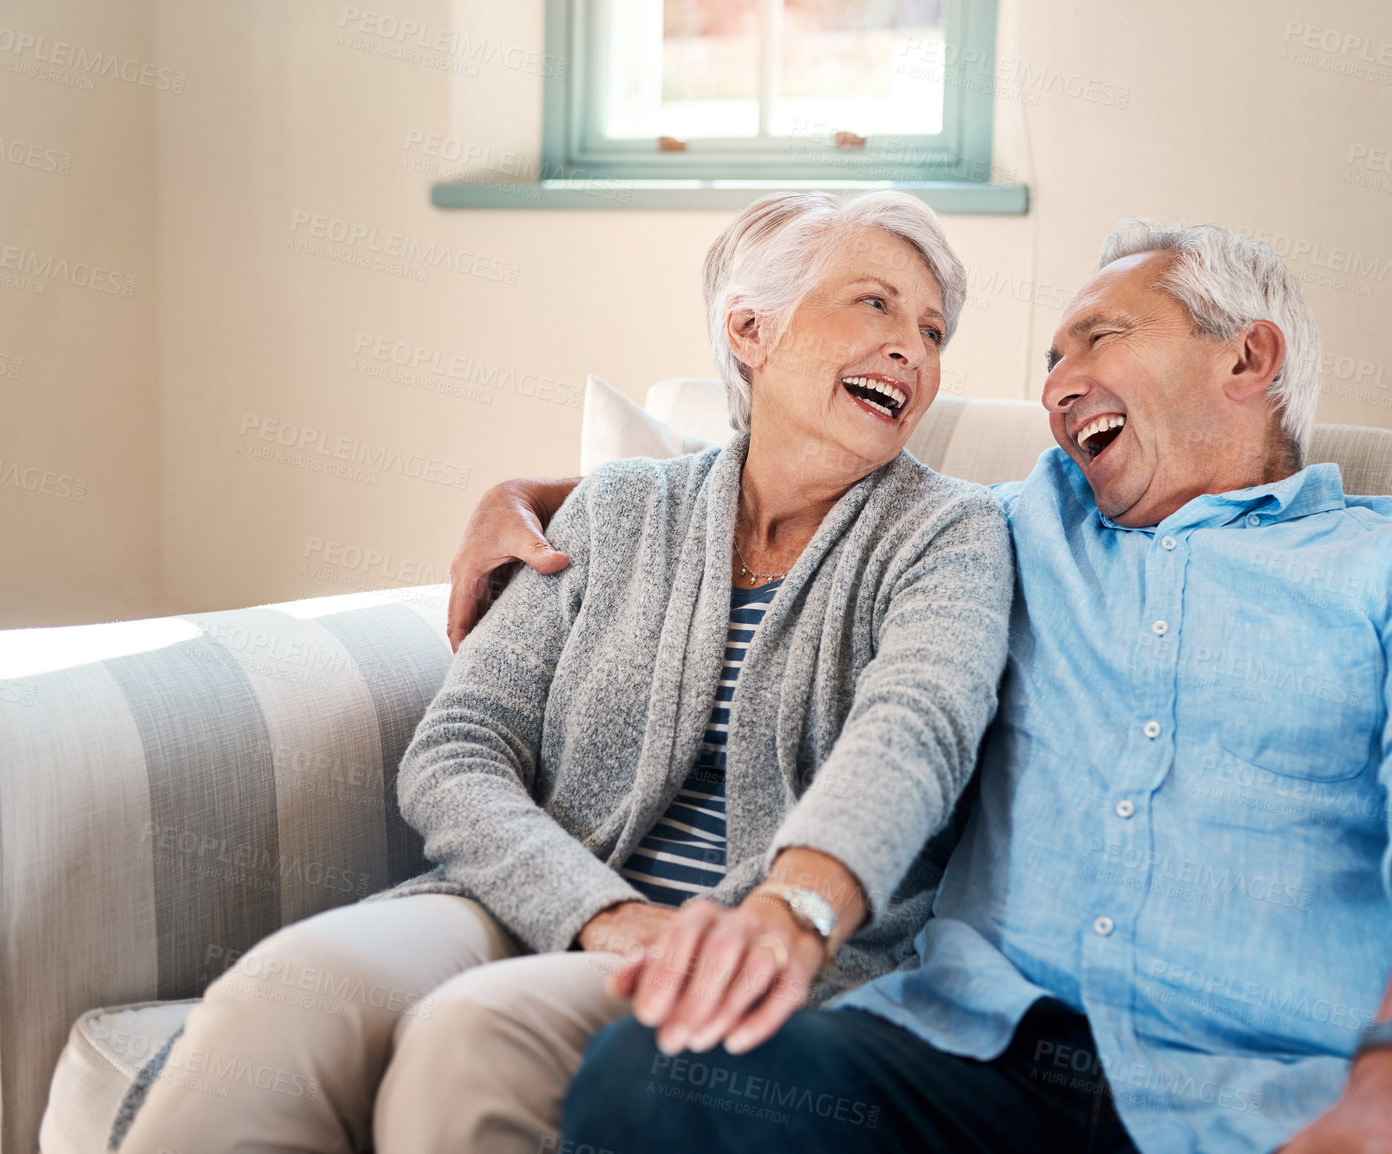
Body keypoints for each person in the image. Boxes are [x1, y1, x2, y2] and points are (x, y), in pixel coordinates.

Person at [465, 222, 1392, 1153]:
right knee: (656, 1072)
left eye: (1097, 336)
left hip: (1268, 1097)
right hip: (962, 1055)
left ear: (1247, 360)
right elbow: (796, 487)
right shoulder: (1005, 527)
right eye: (1048, 358)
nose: (1053, 386)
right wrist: (552, 498)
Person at [117, 190, 1015, 1154]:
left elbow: (915, 732)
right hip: (529, 895)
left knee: (469, 1040)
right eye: (874, 305)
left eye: (932, 330)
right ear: (751, 330)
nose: (912, 352)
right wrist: (599, 911)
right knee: (286, 994)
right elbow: (455, 752)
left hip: (726, 950)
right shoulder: (622, 507)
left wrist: (778, 913)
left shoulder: (948, 533)